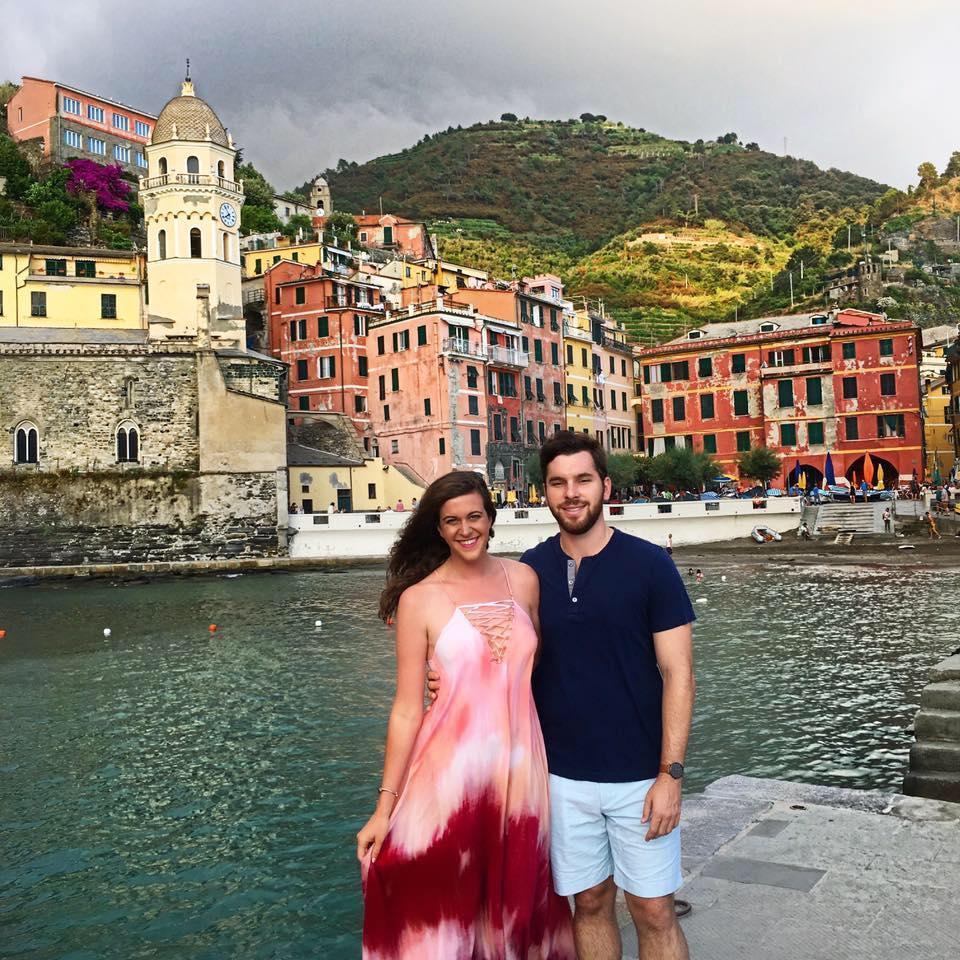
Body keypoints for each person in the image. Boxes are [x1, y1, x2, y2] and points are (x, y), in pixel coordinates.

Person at [430, 434, 696, 959]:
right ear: (544, 492)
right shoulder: (526, 573)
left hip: (640, 776)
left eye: (582, 480)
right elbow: (499, 654)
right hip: (557, 778)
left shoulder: (650, 565)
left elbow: (679, 673)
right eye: (558, 483)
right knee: (589, 904)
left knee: (655, 910)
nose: (571, 493)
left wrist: (672, 774)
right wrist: (444, 679)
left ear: (605, 486)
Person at [357, 471, 574, 959]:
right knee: (439, 898)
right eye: (451, 520)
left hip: (520, 773)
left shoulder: (524, 580)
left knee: (519, 905)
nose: (464, 529)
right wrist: (384, 806)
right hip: (447, 777)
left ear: (491, 519)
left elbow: (530, 663)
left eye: (474, 515)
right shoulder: (419, 600)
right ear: (438, 529)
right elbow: (408, 709)